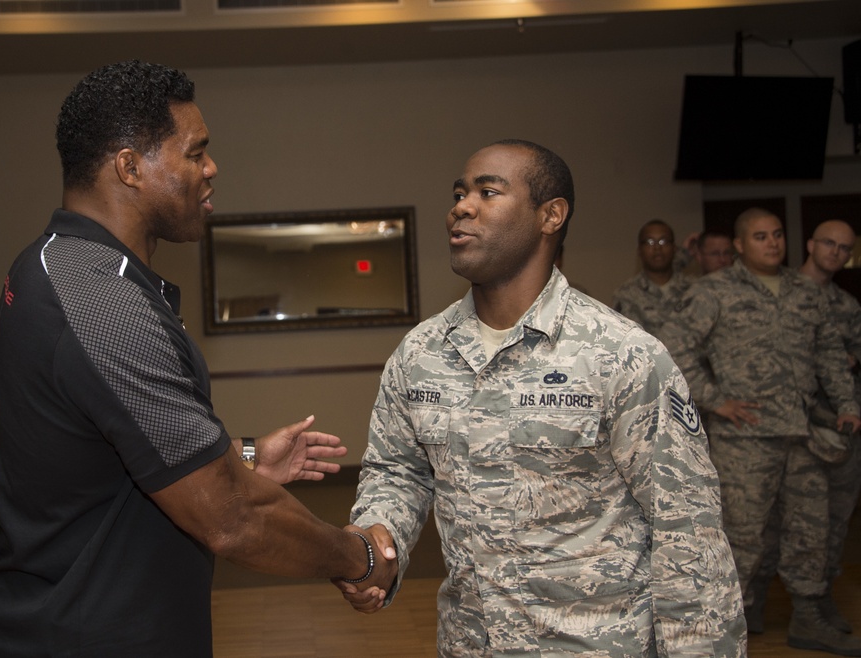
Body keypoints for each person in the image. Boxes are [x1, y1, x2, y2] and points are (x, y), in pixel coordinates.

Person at [0, 60, 395, 657]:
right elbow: (231, 518)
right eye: (195, 153)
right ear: (130, 167)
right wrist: (359, 556)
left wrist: (245, 456)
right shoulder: (99, 298)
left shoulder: (60, 265)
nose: (211, 169)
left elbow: (104, 449)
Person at [337, 139, 746, 656]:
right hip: (473, 642)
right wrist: (379, 539)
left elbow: (687, 531)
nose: (461, 207)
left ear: (550, 215)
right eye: (460, 193)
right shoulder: (421, 353)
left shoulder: (620, 354)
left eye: (489, 192)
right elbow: (398, 471)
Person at [660, 208, 861, 656]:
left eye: (776, 235)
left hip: (802, 433)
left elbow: (830, 351)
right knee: (743, 536)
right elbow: (673, 347)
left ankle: (808, 616)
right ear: (739, 245)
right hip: (743, 439)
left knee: (809, 528)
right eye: (760, 236)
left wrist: (847, 404)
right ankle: (732, 617)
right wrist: (714, 399)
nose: (772, 243)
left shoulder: (804, 291)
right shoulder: (713, 290)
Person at [746, 219, 861, 638]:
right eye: (828, 243)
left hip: (830, 432)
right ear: (811, 244)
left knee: (822, 524)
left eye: (844, 247)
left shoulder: (843, 305)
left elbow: (838, 358)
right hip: (772, 430)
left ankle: (815, 603)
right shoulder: (771, 289)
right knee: (764, 526)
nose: (835, 252)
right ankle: (757, 604)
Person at [612, 219, 693, 338]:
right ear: (639, 250)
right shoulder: (625, 294)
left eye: (663, 241)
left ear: (674, 248)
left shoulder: (694, 290)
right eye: (649, 242)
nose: (657, 248)